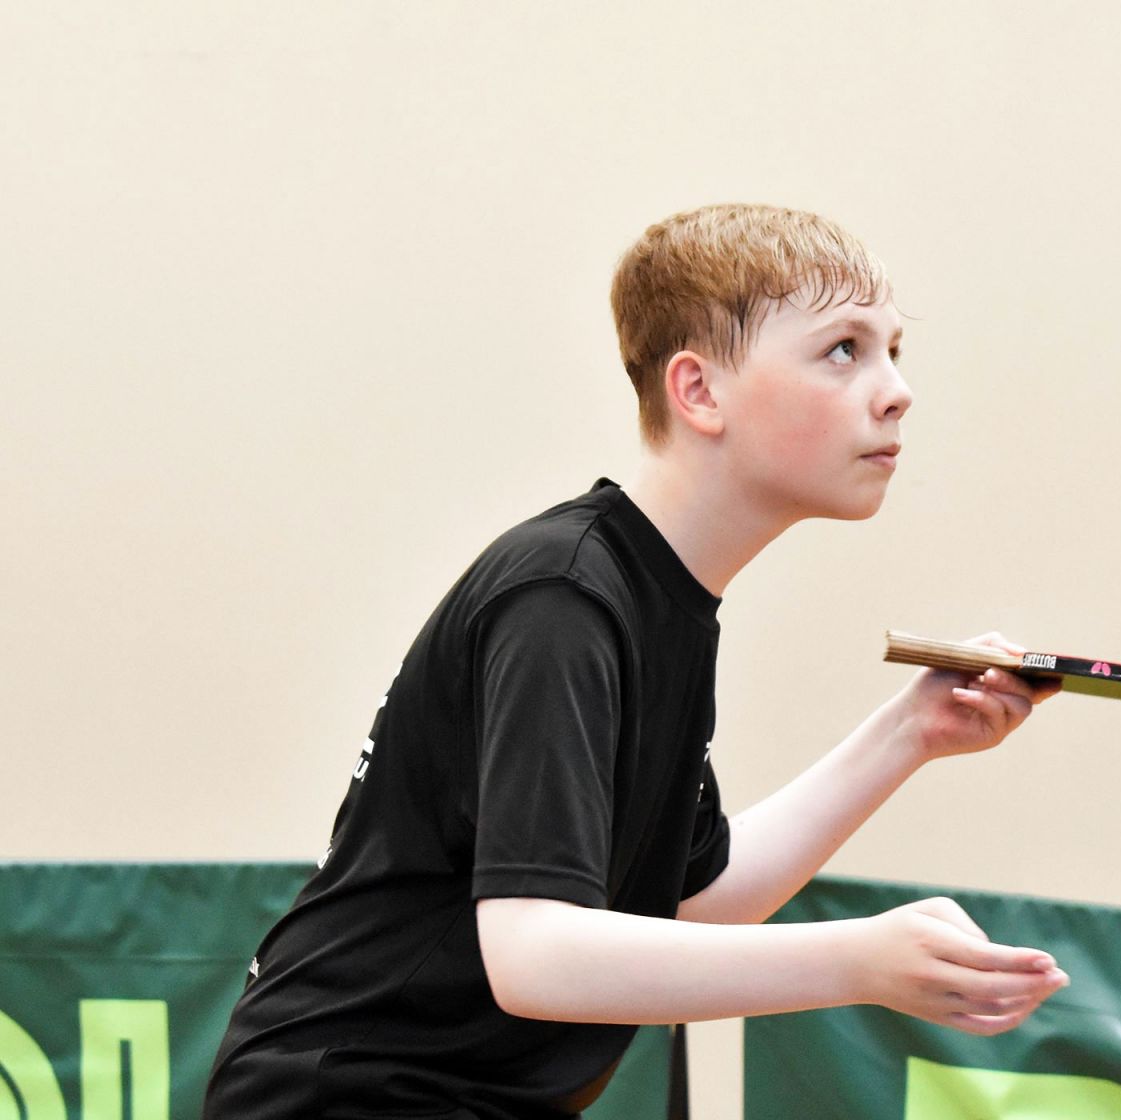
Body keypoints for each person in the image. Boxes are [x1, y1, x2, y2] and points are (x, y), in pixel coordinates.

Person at [203, 202, 1068, 1119]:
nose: (895, 390)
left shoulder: (662, 606)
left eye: (896, 350)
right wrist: (856, 961)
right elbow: (535, 955)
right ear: (698, 392)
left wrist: (910, 732)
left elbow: (691, 905)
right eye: (843, 350)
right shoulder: (562, 598)